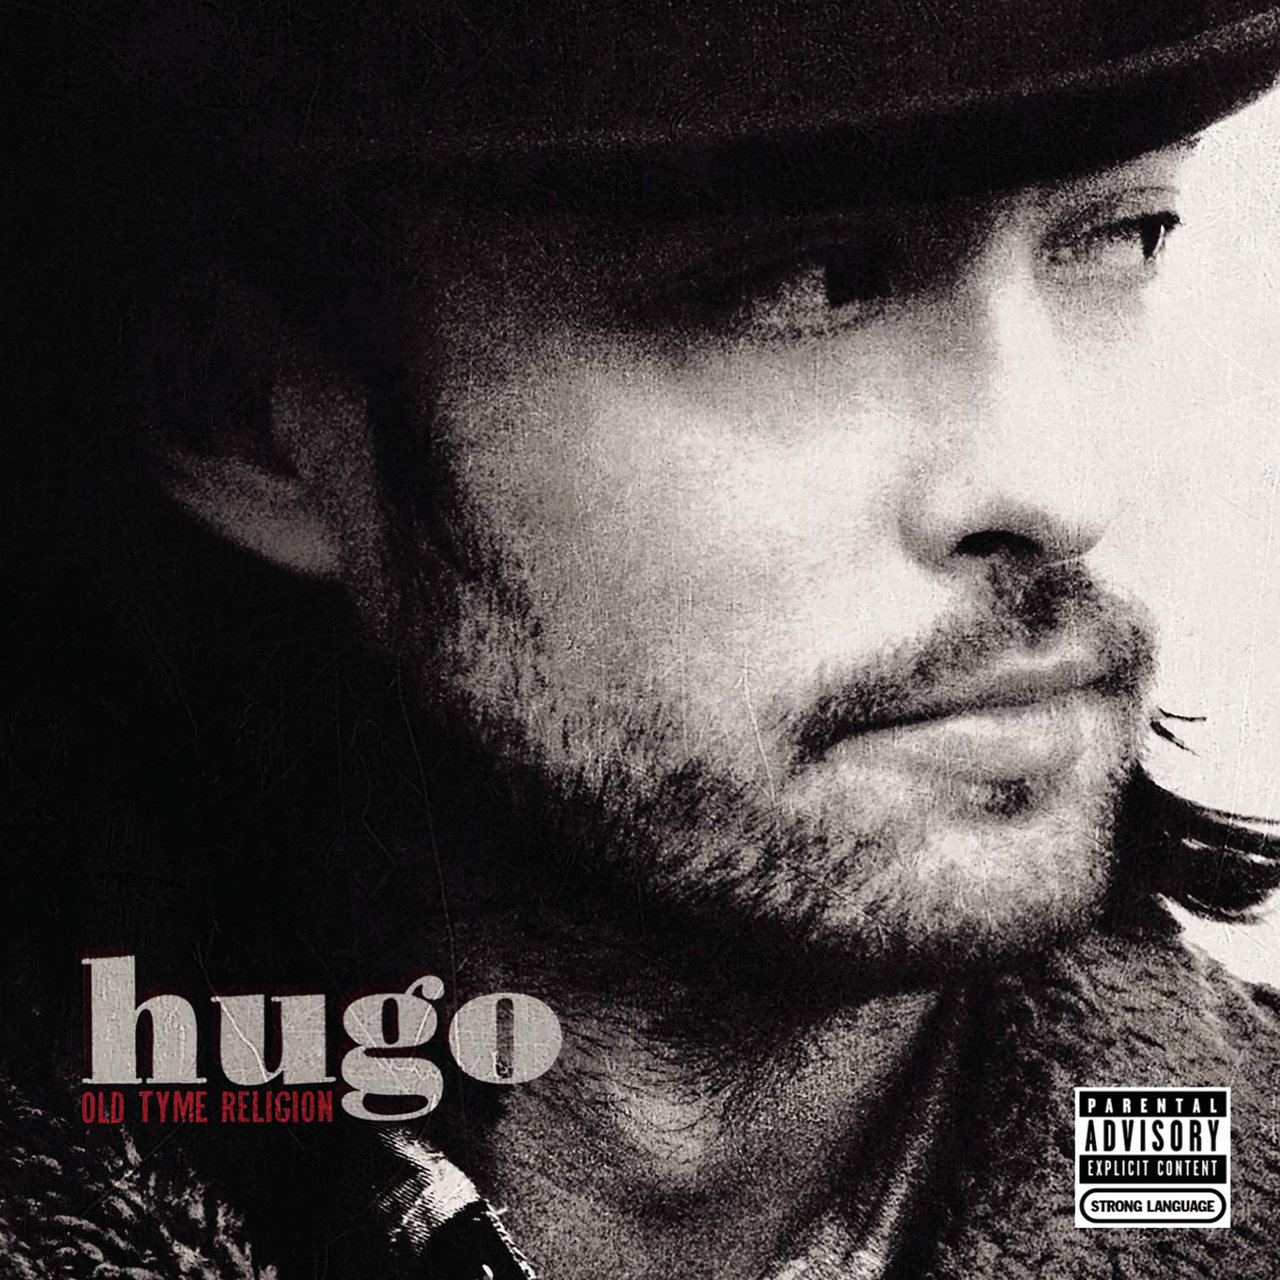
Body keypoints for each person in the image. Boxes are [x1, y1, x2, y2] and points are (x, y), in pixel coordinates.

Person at [6, 3, 1280, 1277]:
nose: (1057, 492)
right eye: (810, 282)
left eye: (1118, 237)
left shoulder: (1222, 1179)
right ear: (246, 420)